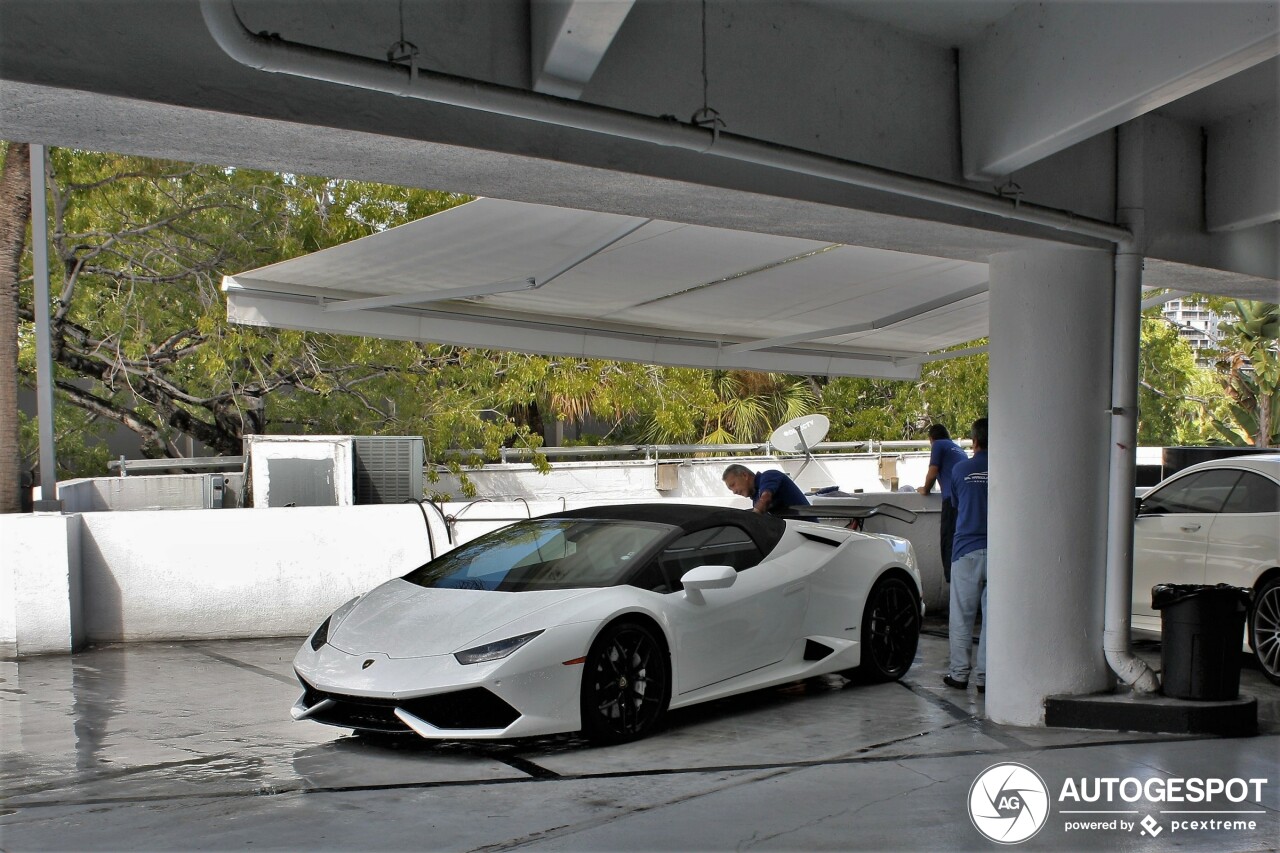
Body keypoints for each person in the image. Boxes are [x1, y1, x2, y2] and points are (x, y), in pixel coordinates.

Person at [944, 417, 988, 694]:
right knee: (994, 620)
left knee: (962, 618)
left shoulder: (960, 470)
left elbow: (956, 505)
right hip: (1002, 553)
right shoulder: (1008, 468)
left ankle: (959, 675)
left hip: (965, 552)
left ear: (974, 441)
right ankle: (986, 679)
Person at [916, 424, 969, 582]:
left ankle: (951, 580)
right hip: (965, 501)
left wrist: (925, 489)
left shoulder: (938, 445)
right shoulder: (958, 449)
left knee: (947, 540)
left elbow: (933, 472)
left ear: (931, 438)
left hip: (951, 500)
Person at [722, 463, 810, 516]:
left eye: (733, 485)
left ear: (744, 475)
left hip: (809, 536)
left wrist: (752, 518)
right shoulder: (755, 499)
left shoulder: (769, 475)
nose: (734, 492)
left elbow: (766, 497)